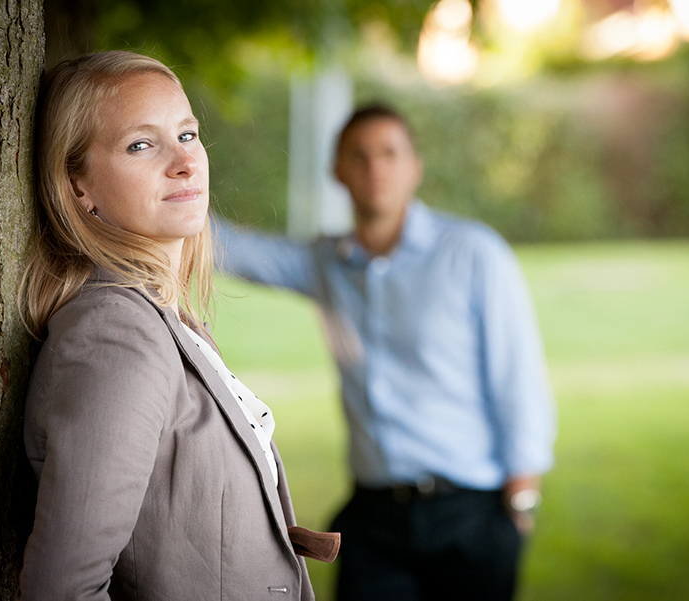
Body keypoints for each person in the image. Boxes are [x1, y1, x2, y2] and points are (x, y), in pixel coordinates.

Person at [16, 51, 337, 601]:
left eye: (187, 134)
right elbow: (62, 590)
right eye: (141, 144)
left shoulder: (163, 315)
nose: (185, 162)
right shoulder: (116, 334)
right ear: (78, 187)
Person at [215, 104, 555, 601]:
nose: (376, 168)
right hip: (373, 521)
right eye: (359, 155)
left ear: (415, 166)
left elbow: (518, 378)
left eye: (390, 154)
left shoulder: (473, 253)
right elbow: (231, 248)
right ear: (337, 171)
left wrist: (520, 502)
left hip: (472, 516)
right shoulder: (325, 263)